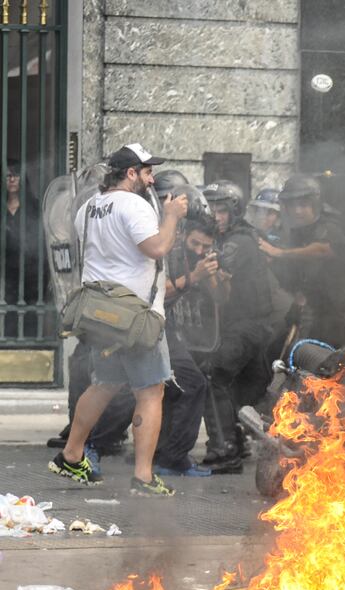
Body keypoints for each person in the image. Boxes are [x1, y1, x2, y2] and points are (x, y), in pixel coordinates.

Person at [50, 143, 187, 496]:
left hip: (101, 314)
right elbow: (156, 248)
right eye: (147, 172)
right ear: (130, 173)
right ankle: (143, 477)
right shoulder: (134, 205)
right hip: (136, 318)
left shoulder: (89, 208)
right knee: (151, 391)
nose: (151, 179)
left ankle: (71, 455)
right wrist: (171, 216)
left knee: (105, 383)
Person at [200, 180, 275, 473]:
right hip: (240, 324)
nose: (215, 216)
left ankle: (225, 449)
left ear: (234, 211)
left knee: (213, 375)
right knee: (247, 392)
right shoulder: (222, 237)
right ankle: (242, 442)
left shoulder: (238, 241)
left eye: (221, 210)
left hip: (248, 324)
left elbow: (219, 276)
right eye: (210, 209)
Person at [157, 217, 228, 477]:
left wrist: (213, 277)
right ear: (183, 235)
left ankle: (163, 454)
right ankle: (173, 458)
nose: (199, 250)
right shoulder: (168, 254)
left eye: (205, 246)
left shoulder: (207, 258)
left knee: (174, 390)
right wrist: (194, 275)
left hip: (194, 336)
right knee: (192, 384)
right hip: (161, 328)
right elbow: (157, 292)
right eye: (194, 243)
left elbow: (222, 298)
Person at [258, 175, 345, 345]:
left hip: (333, 312)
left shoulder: (330, 225)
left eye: (303, 205)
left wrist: (279, 253)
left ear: (315, 204)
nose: (297, 211)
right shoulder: (298, 230)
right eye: (292, 205)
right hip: (306, 305)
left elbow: (323, 250)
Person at [3, 161, 45, 338]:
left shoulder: (34, 207)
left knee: (31, 317)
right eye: (8, 176)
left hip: (31, 272)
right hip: (5, 273)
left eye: (16, 175)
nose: (12, 179)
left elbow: (41, 240)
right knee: (7, 316)